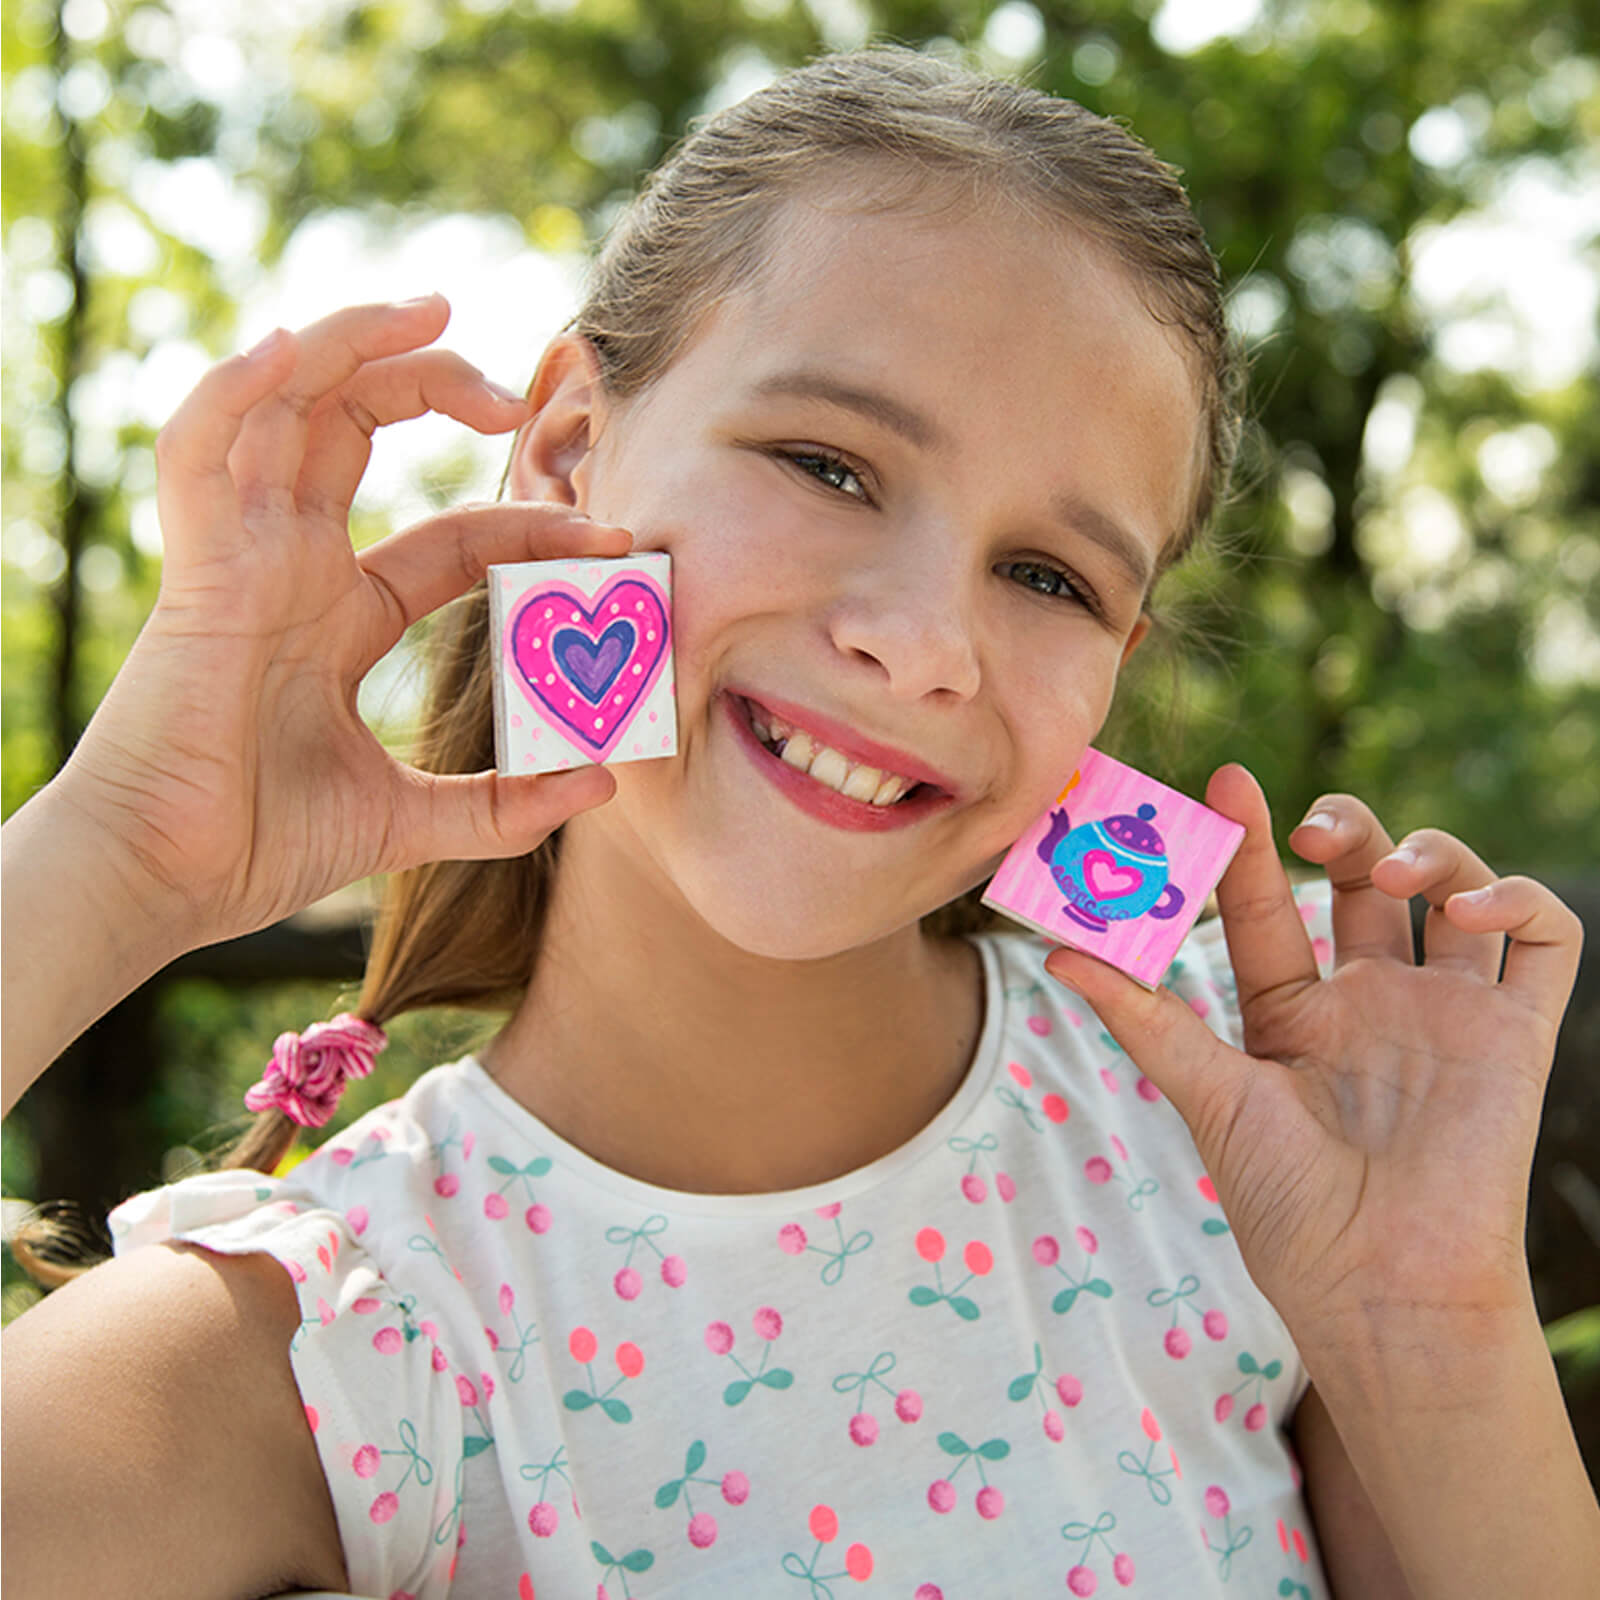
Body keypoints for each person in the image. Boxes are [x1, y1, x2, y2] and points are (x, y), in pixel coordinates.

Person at [2, 46, 1594, 1600]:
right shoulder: (307, 1355)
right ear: (568, 448)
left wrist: (1428, 1327)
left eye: (1051, 578)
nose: (924, 641)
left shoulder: (1248, 1123)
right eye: (829, 466)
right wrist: (121, 855)